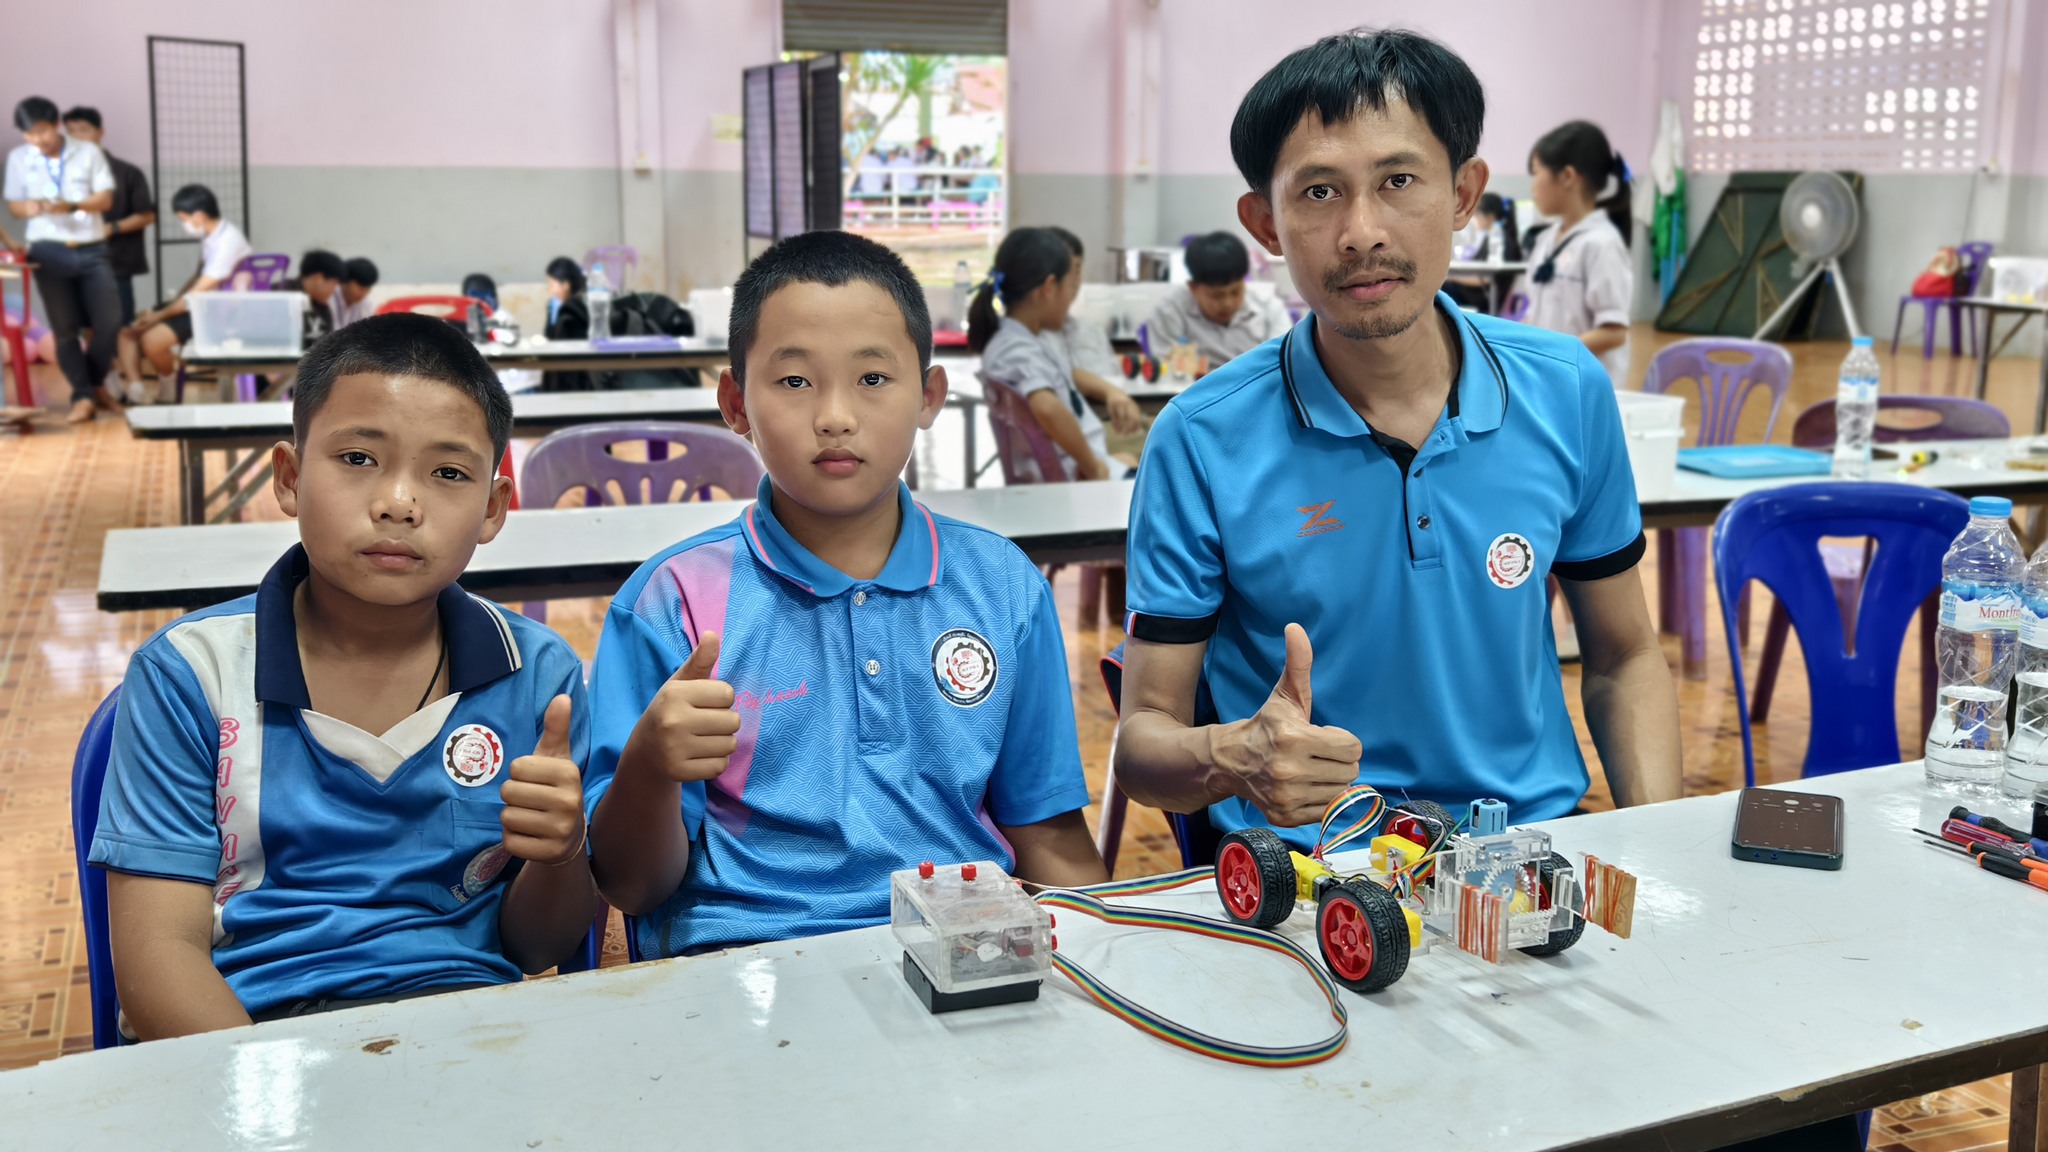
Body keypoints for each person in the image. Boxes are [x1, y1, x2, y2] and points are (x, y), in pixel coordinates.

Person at [1113, 30, 1681, 856]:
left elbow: (1626, 657)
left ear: (1464, 194)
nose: (1361, 231)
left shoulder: (1565, 390)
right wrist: (1234, 755)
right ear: (1264, 223)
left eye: (1399, 181)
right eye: (1318, 193)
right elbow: (1142, 740)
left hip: (1526, 854)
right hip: (1311, 876)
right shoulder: (1201, 439)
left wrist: (1659, 845)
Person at [583, 230, 1105, 958]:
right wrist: (648, 765)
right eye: (795, 381)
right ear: (735, 403)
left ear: (928, 397)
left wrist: (1114, 955)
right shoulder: (672, 602)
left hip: (962, 953)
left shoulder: (1003, 587)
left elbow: (1049, 834)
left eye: (873, 378)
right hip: (744, 963)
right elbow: (633, 887)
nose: (835, 415)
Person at [88, 314, 599, 1038]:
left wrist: (561, 850)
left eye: (448, 473)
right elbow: (157, 959)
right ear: (290, 478)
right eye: (359, 458)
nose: (399, 502)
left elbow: (537, 947)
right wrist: (271, 1091)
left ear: (492, 510)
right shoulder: (191, 676)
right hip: (246, 1037)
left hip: (469, 1035)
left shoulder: (539, 677)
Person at [966, 227, 1122, 482]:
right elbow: (1047, 408)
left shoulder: (1022, 338)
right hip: (1078, 483)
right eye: (1068, 285)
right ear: (1049, 287)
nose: (1071, 294)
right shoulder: (1015, 347)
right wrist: (1093, 467)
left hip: (1079, 473)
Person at [4, 96, 123, 423]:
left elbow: (105, 199)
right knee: (65, 328)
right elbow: (14, 205)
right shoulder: (18, 158)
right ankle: (83, 395)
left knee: (109, 322)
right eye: (29, 134)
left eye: (43, 131)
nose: (38, 139)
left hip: (91, 246)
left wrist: (71, 206)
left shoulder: (88, 152)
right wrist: (29, 207)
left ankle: (95, 383)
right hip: (47, 250)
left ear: (56, 125)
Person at [1520, 121, 1634, 385]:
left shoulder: (1601, 244)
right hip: (1551, 378)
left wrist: (1552, 353)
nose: (1533, 187)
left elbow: (1614, 332)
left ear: (1568, 177)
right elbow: (1538, 312)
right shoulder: (1547, 240)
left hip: (1585, 386)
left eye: (1537, 173)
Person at [115, 184, 251, 404]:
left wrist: (159, 315)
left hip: (218, 313)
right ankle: (135, 391)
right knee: (130, 328)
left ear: (199, 216)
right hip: (200, 305)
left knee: (151, 339)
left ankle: (167, 392)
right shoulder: (211, 237)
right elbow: (196, 281)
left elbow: (196, 294)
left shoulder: (228, 242)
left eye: (183, 219)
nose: (184, 225)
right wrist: (164, 307)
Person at [1044, 226, 1146, 457]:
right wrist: (1110, 392)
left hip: (1118, 423)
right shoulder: (1034, 337)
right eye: (1066, 271)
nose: (1073, 282)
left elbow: (1115, 378)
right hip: (1089, 433)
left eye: (1077, 269)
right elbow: (1064, 373)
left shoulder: (1088, 330)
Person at [59, 107, 155, 327]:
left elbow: (146, 216)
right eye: (70, 132)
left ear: (100, 133)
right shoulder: (62, 173)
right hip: (74, 261)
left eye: (83, 130)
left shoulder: (127, 172)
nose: (76, 137)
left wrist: (110, 228)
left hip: (115, 262)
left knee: (120, 326)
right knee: (82, 326)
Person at [1143, 231, 1291, 370]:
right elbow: (1166, 366)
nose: (1227, 303)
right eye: (1216, 295)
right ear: (1193, 288)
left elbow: (1282, 361)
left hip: (1256, 384)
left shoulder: (1269, 307)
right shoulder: (1170, 310)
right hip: (1196, 386)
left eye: (1235, 292)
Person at [1445, 191, 1521, 313]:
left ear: (1490, 217)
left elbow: (1487, 278)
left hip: (1484, 298)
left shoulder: (1502, 241)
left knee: (1441, 290)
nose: (1474, 220)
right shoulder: (1490, 238)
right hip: (1477, 293)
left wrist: (1453, 278)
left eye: (1476, 215)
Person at [539, 256, 592, 392]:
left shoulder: (577, 309)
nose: (550, 290)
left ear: (566, 285)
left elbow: (565, 343)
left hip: (574, 375)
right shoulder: (555, 306)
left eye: (552, 284)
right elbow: (549, 337)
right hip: (557, 368)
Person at [283, 249, 345, 344]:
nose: (333, 291)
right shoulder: (279, 294)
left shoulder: (322, 307)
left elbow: (328, 346)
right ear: (319, 279)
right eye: (334, 284)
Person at [332, 257, 379, 328]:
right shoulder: (328, 298)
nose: (363, 294)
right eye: (361, 288)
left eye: (367, 289)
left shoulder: (366, 303)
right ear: (345, 281)